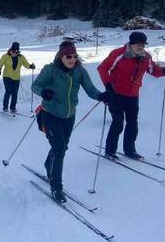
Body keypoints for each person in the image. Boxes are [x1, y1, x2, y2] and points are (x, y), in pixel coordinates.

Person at [31, 41, 110, 203]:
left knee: (61, 147)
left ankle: (49, 165)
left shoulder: (79, 71)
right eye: (68, 56)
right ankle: (56, 187)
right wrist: (43, 92)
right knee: (59, 148)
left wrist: (101, 96)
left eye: (74, 56)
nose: (72, 59)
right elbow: (35, 86)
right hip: (50, 114)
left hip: (69, 116)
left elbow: (90, 89)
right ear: (61, 56)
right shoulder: (50, 70)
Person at [98, 31, 165, 160]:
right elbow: (103, 68)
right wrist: (108, 85)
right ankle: (110, 151)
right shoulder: (119, 54)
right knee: (118, 123)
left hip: (133, 95)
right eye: (138, 44)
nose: (141, 47)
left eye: (143, 44)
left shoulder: (146, 57)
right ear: (131, 43)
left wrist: (164, 71)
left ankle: (130, 150)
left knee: (132, 124)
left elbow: (153, 70)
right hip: (116, 94)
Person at [0, 42, 35, 113]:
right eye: (13, 51)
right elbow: (0, 63)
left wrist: (31, 66)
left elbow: (26, 65)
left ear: (18, 51)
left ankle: (13, 108)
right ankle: (5, 107)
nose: (14, 53)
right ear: (10, 50)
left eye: (16, 51)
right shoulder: (5, 56)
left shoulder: (21, 57)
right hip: (7, 76)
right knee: (8, 91)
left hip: (16, 78)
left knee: (15, 93)